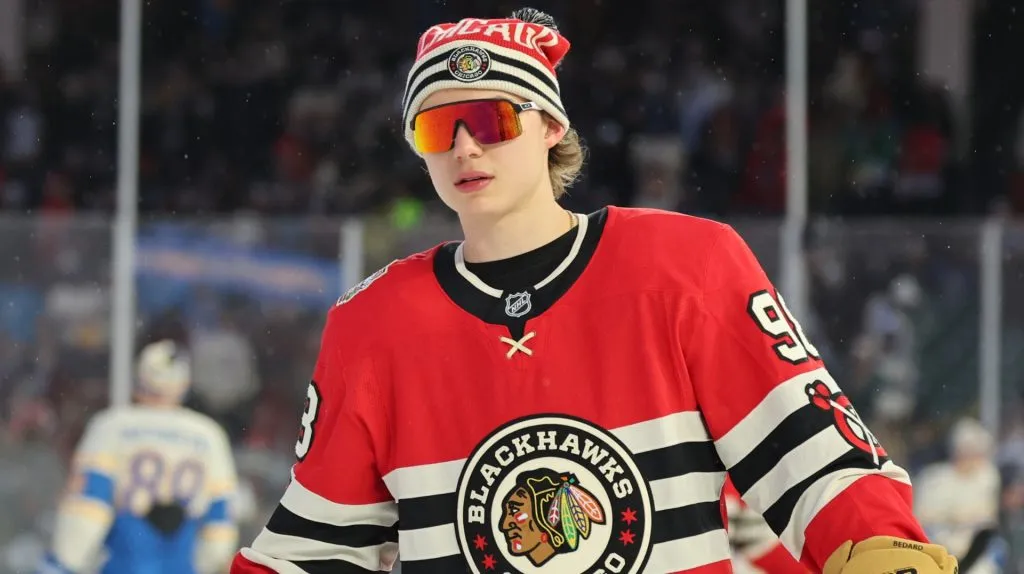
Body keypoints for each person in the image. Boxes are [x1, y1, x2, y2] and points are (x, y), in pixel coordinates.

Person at [231, 8, 957, 574]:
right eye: (438, 127)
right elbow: (315, 549)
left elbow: (814, 457)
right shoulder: (374, 323)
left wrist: (881, 547)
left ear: (551, 126)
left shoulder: (685, 266)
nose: (465, 147)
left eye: (491, 118)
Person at [37, 340, 239, 574]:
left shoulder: (112, 425)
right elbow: (220, 518)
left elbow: (90, 503)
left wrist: (64, 562)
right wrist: (211, 564)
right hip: (181, 561)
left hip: (126, 560)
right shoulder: (209, 434)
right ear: (183, 384)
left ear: (140, 379)